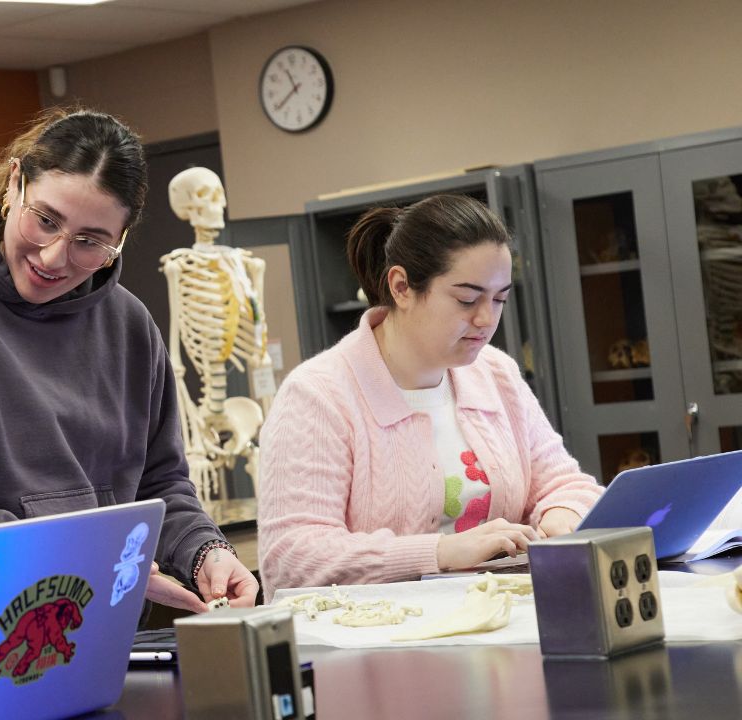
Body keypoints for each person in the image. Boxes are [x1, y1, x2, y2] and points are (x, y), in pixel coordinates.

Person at [0, 108, 258, 636]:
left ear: (121, 237)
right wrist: (93, 555)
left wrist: (205, 550)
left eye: (90, 241)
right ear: (14, 183)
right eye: (45, 220)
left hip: (117, 639)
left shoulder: (131, 326)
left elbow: (160, 484)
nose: (53, 255)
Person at [258, 194, 602, 599]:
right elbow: (292, 559)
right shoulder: (319, 395)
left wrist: (563, 515)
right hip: (381, 643)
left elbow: (565, 483)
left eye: (499, 299)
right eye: (467, 299)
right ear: (401, 287)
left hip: (503, 621)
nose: (486, 319)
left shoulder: (495, 374)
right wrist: (439, 552)